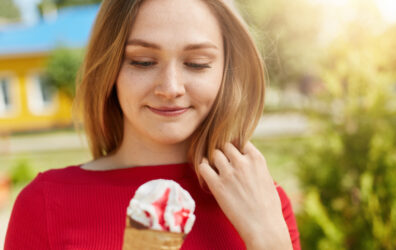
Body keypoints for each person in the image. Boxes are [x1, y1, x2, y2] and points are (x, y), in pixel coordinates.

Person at [5, 0, 301, 249]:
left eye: (197, 63)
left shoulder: (264, 201)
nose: (170, 88)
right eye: (143, 61)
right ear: (110, 69)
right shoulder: (45, 202)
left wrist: (267, 237)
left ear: (227, 72)